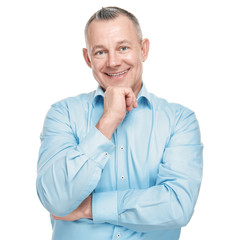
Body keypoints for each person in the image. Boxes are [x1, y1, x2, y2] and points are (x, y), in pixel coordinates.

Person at [36, 6, 203, 240]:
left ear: (143, 49)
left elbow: (177, 206)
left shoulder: (179, 120)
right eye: (100, 52)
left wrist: (89, 208)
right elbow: (55, 199)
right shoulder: (62, 114)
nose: (113, 62)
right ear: (87, 58)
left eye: (123, 48)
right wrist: (107, 122)